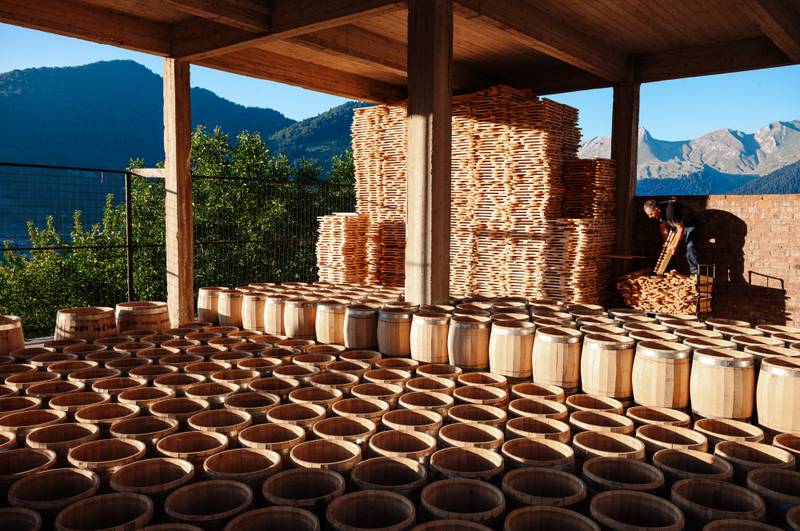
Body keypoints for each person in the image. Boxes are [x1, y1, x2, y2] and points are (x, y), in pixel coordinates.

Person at [643, 199, 700, 275]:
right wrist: (667, 245)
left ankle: (695, 273)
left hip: (691, 224)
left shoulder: (670, 211)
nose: (650, 217)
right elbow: (664, 229)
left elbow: (681, 229)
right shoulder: (658, 214)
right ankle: (672, 270)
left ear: (657, 210)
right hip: (677, 225)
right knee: (670, 249)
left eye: (651, 214)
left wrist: (674, 246)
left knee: (690, 246)